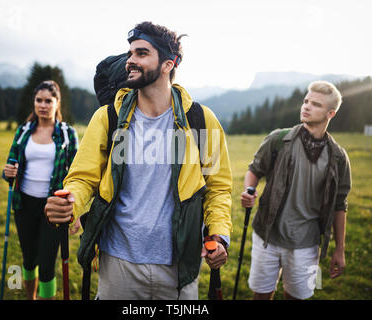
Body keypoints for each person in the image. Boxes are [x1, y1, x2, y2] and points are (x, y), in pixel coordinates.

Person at [45, 21, 232, 300]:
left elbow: (218, 187)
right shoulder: (108, 117)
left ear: (169, 64)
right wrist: (69, 201)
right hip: (118, 262)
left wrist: (217, 234)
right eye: (130, 53)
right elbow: (83, 177)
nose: (130, 61)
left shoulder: (202, 120)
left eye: (142, 53)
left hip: (179, 263)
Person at [241, 81, 352, 300]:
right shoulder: (279, 139)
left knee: (299, 297)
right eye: (306, 101)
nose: (307, 107)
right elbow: (254, 170)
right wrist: (250, 190)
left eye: (316, 104)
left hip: (309, 244)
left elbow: (340, 205)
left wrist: (340, 249)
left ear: (331, 113)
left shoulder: (339, 158)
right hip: (266, 236)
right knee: (260, 295)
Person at [2, 80, 78, 300]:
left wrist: (77, 211)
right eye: (39, 100)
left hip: (52, 207)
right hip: (24, 204)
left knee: (46, 265)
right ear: (33, 102)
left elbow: (77, 174)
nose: (43, 105)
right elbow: (10, 165)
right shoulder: (24, 131)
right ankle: (30, 297)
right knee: (28, 260)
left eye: (48, 100)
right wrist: (8, 172)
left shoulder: (67, 133)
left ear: (57, 103)